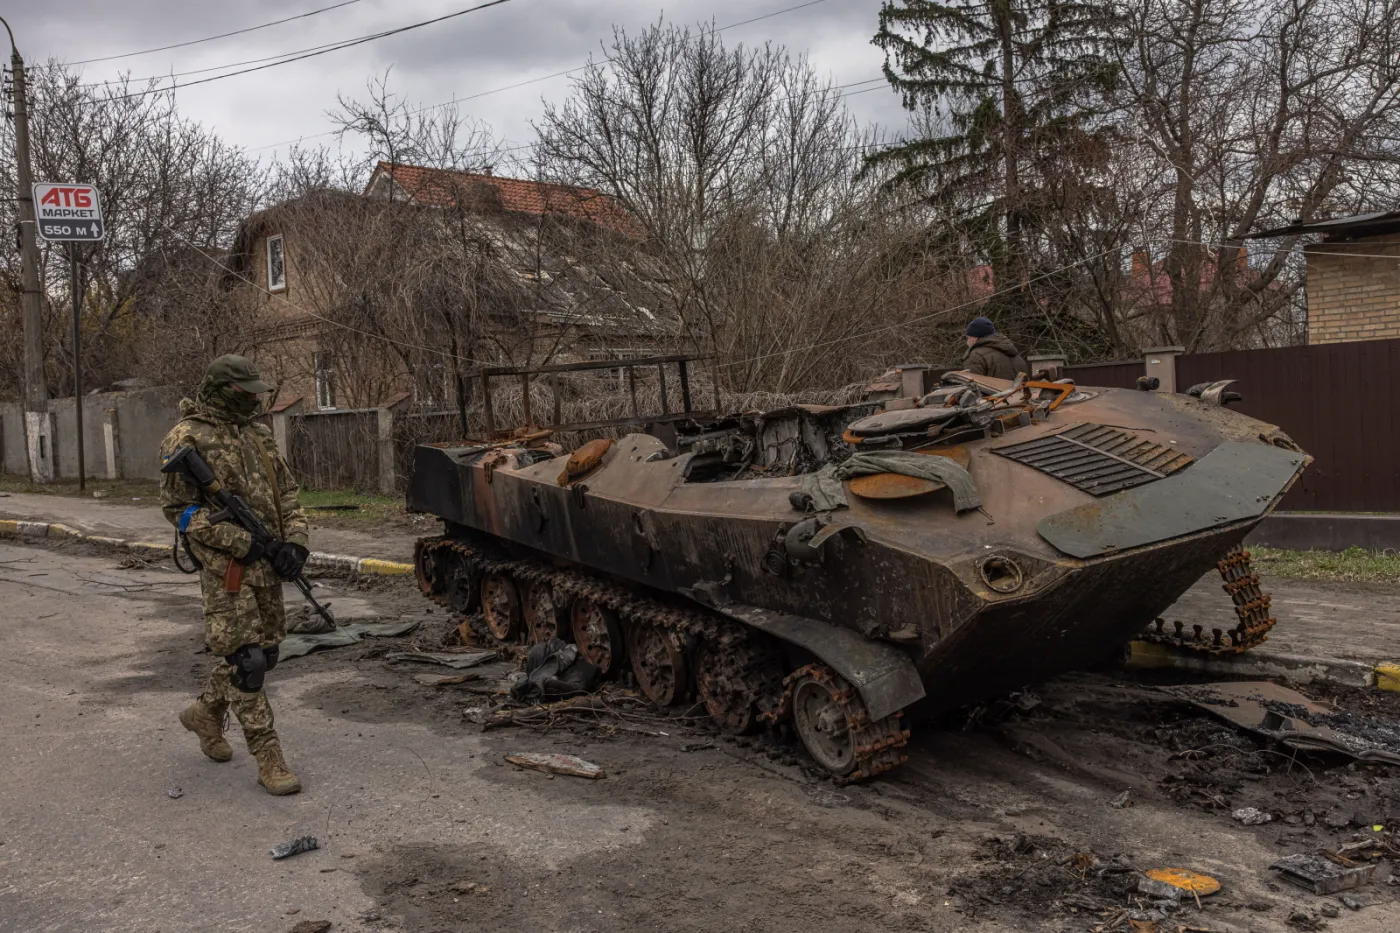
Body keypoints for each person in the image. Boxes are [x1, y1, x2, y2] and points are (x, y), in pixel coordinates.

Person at [160, 355, 310, 796]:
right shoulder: (185, 437)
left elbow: (287, 491)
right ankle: (269, 758)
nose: (254, 400)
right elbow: (180, 512)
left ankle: (205, 713)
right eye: (246, 393)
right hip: (226, 569)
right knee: (248, 663)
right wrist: (242, 542)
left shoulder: (258, 434)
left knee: (268, 653)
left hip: (268, 565)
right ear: (223, 389)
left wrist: (296, 542)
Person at [962, 316, 1029, 379]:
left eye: (968, 337)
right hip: (1018, 391)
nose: (967, 342)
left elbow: (973, 387)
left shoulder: (975, 357)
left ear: (975, 337)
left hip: (993, 392)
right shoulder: (1016, 356)